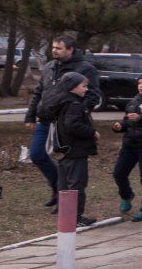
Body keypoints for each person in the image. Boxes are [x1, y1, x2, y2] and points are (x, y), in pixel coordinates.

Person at [23, 36, 101, 211]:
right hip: (45, 120)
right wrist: (30, 115)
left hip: (66, 123)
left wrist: (77, 111)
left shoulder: (85, 68)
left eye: (59, 48)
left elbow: (93, 95)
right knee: (37, 154)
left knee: (68, 162)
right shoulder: (50, 66)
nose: (54, 50)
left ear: (70, 49)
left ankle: (66, 199)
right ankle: (57, 189)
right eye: (53, 47)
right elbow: (39, 92)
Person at [39, 72, 99, 226]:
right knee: (77, 185)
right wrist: (92, 132)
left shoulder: (62, 102)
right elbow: (73, 125)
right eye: (83, 86)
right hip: (75, 150)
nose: (86, 89)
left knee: (64, 185)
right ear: (72, 87)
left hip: (64, 151)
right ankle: (76, 217)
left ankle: (66, 215)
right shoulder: (74, 104)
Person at [111, 70, 142, 221]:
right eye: (139, 83)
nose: (141, 86)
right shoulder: (133, 100)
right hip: (129, 144)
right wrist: (120, 125)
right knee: (118, 173)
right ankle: (127, 195)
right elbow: (127, 120)